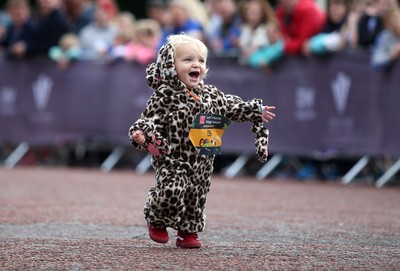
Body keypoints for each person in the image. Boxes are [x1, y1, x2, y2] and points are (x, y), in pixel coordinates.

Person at [128, 34, 276, 248]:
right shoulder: (164, 96)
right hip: (173, 158)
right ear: (170, 65)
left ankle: (188, 231)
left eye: (200, 61)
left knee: (196, 197)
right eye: (187, 60)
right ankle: (157, 217)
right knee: (172, 189)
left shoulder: (211, 94)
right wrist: (142, 133)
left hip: (203, 160)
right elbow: (149, 119)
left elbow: (230, 106)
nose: (195, 65)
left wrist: (254, 110)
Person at [248, 0, 325, 68]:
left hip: (311, 60)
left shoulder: (308, 10)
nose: (283, 3)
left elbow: (303, 42)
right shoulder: (281, 11)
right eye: (280, 2)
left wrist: (283, 45)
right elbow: (280, 35)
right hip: (289, 57)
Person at [238, 0, 278, 64]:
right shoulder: (244, 28)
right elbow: (242, 45)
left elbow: (266, 44)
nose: (254, 15)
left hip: (261, 62)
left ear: (262, 14)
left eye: (257, 12)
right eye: (251, 12)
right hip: (245, 63)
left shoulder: (267, 29)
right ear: (246, 14)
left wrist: (255, 48)